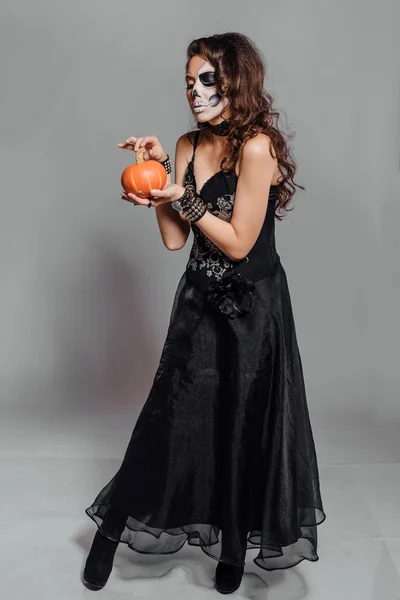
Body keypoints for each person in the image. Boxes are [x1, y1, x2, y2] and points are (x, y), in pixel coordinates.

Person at [82, 32, 326, 595]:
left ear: (235, 80)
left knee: (242, 426)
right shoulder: (187, 143)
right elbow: (174, 241)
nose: (194, 91)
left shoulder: (257, 147)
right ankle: (110, 533)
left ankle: (235, 546)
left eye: (206, 79)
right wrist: (156, 183)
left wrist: (180, 195)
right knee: (168, 418)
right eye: (189, 82)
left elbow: (241, 242)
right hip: (198, 302)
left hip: (253, 310)